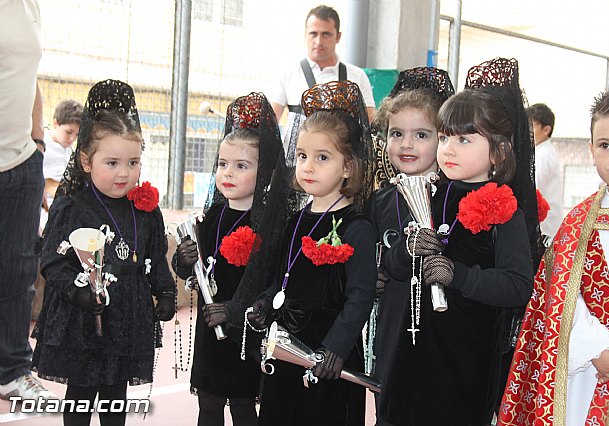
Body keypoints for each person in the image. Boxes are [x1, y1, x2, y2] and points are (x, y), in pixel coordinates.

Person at [379, 58, 541, 425]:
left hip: (462, 365)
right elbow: (389, 268)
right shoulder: (427, 194)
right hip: (407, 358)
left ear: (499, 152)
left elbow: (517, 286)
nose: (448, 149)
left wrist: (460, 275)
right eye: (445, 136)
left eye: (464, 139)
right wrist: (406, 252)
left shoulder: (505, 209)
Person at [31, 79, 176, 426]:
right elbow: (51, 259)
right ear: (86, 160)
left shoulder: (146, 210)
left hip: (128, 318)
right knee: (81, 396)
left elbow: (154, 255)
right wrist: (75, 291)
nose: (123, 173)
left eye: (133, 162)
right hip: (84, 320)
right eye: (111, 163)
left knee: (116, 396)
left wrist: (166, 291)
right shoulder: (72, 207)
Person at [499, 85, 609, 425]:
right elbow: (558, 293)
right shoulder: (577, 221)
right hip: (586, 366)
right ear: (591, 148)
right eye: (605, 145)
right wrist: (597, 349)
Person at [247, 80, 377, 426]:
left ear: (348, 166)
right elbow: (282, 277)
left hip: (327, 357)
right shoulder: (297, 218)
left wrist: (335, 347)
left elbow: (359, 299)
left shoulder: (356, 226)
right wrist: (264, 302)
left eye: (323, 158)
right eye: (302, 156)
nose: (308, 167)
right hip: (287, 350)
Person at [173, 92, 294, 426]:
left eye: (242, 166)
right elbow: (195, 271)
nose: (228, 173)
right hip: (210, 331)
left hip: (246, 334)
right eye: (222, 164)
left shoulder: (270, 224)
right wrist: (183, 260)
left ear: (266, 172)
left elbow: (273, 281)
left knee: (242, 407)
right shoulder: (211, 216)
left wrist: (236, 309)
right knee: (209, 405)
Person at [365, 67, 454, 426]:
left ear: (442, 137)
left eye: (421, 135)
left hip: (443, 338)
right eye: (396, 133)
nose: (406, 144)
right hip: (392, 331)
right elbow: (373, 263)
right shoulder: (380, 202)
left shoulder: (454, 197)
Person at [0, 0, 56, 402]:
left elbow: (28, 75)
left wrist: (38, 140)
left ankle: (12, 371)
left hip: (21, 160)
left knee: (19, 271)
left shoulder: (28, 4)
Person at [269, 4, 375, 134]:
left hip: (344, 153)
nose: (318, 41)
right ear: (305, 35)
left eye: (326, 34)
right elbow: (271, 121)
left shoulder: (357, 76)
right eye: (313, 34)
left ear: (338, 37)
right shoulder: (287, 73)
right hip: (295, 153)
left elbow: (369, 121)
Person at [40, 99, 83, 231]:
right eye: (68, 132)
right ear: (55, 123)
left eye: (76, 135)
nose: (72, 139)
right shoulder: (43, 146)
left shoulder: (70, 151)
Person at [526, 103, 563, 244]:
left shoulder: (543, 156)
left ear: (546, 129)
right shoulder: (539, 152)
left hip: (545, 228)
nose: (528, 131)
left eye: (532, 126)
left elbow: (532, 189)